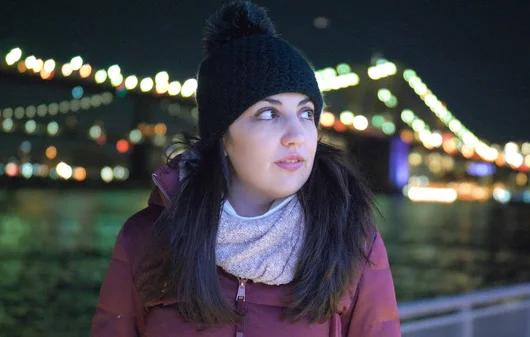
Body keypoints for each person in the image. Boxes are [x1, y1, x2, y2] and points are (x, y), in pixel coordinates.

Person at [90, 1, 401, 336]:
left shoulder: (353, 243)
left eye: (307, 113)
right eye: (269, 113)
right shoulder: (146, 240)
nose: (297, 136)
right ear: (222, 136)